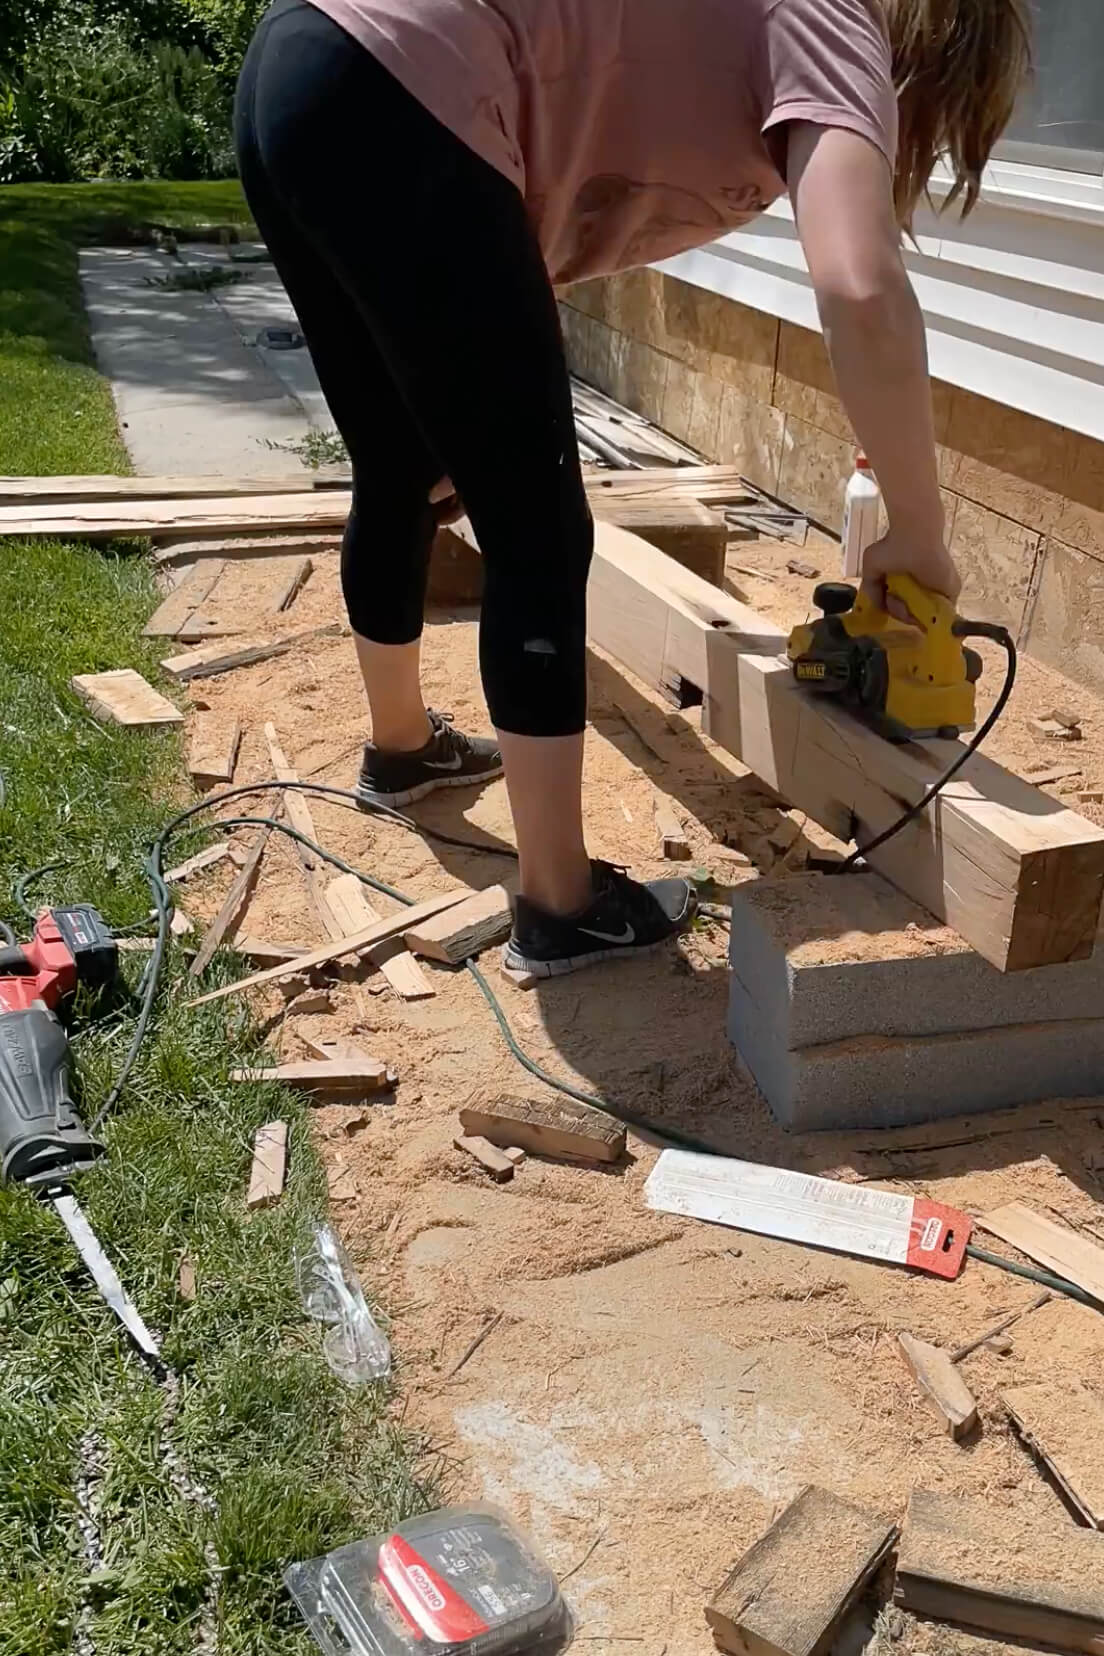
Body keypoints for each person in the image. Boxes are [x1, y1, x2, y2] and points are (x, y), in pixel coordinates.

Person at [234, 0, 1031, 981]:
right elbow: (862, 290)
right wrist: (917, 531)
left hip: (299, 66)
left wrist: (467, 387)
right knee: (540, 529)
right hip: (406, 86)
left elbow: (521, 196)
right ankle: (562, 904)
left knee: (407, 466)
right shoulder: (837, 23)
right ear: (935, 59)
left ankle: (403, 748)